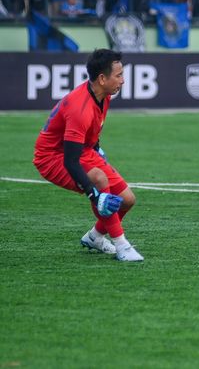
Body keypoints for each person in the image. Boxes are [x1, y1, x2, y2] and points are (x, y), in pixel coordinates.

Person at [33, 49, 144, 261]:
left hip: (81, 149)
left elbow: (92, 131)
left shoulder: (104, 95)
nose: (123, 80)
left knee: (127, 200)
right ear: (102, 78)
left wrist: (97, 149)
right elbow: (71, 162)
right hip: (52, 156)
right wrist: (94, 194)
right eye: (118, 76)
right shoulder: (79, 108)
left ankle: (95, 237)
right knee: (99, 180)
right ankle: (122, 246)